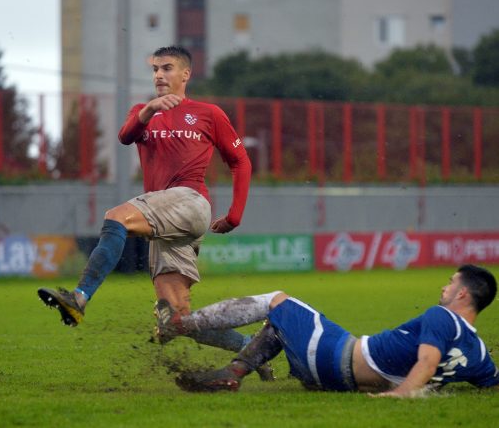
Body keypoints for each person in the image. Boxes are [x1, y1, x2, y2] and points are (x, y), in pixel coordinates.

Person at [38, 45, 255, 355]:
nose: (159, 74)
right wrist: (149, 110)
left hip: (190, 202)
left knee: (116, 216)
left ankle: (80, 298)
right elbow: (126, 136)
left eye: (166, 68)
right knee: (177, 320)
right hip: (164, 217)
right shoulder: (143, 113)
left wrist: (235, 215)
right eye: (155, 69)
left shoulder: (209, 113)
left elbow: (240, 161)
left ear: (185, 74)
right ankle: (252, 349)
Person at [157, 264, 499, 397]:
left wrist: (402, 393)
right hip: (338, 379)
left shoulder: (442, 317)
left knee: (279, 302)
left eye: (450, 283)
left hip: (337, 357)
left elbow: (427, 361)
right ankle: (232, 373)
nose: (444, 288)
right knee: (282, 326)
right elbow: (492, 382)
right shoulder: (480, 355)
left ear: (463, 294)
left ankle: (180, 323)